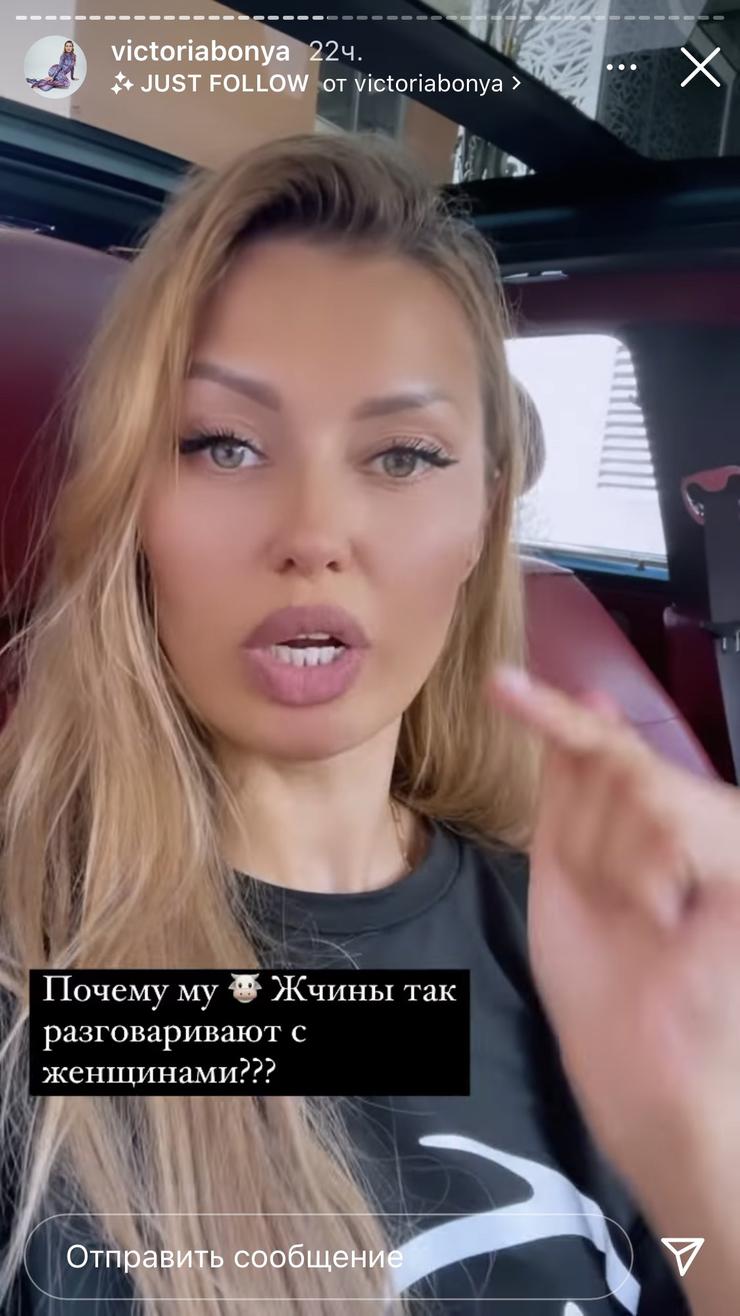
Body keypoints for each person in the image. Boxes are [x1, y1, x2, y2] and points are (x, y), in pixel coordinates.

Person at [0, 132, 739, 1316]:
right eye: (223, 443)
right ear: (132, 496)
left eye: (401, 454)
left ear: (483, 514)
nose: (313, 532)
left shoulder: (593, 938)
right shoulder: (37, 989)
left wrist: (692, 1146)